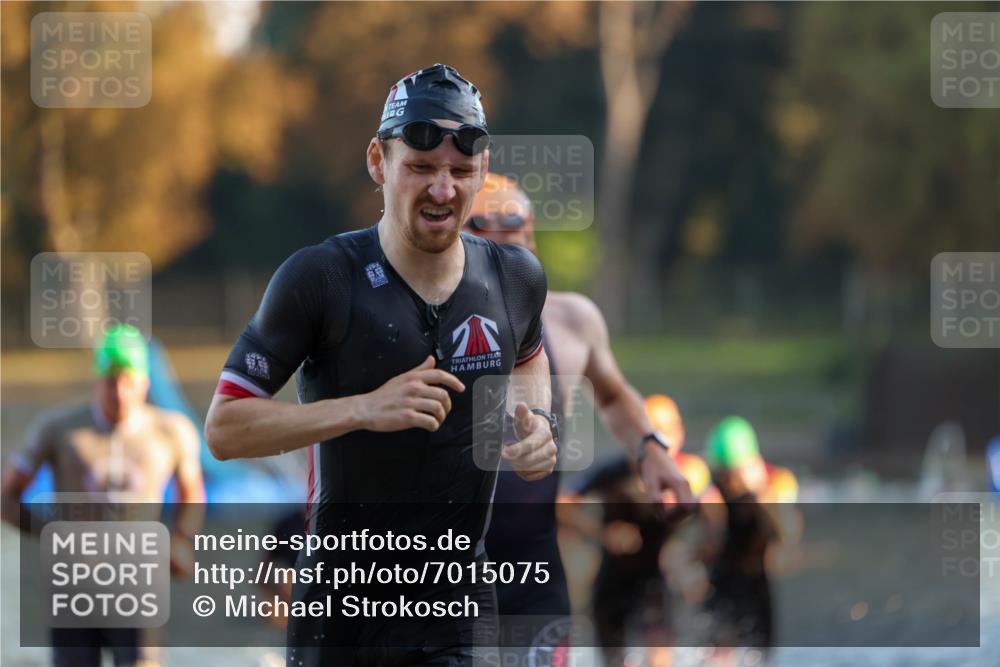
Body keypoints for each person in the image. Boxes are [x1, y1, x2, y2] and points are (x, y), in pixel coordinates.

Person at [204, 64, 559, 667]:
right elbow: (224, 428)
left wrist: (537, 419)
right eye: (420, 168)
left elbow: (529, 356)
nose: (443, 190)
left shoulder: (513, 277)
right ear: (379, 161)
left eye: (460, 171)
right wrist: (364, 409)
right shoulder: (321, 278)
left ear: (482, 168)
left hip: (458, 605)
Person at [464, 175, 694, 664]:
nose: (502, 253)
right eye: (482, 235)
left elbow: (613, 396)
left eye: (514, 234)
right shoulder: (421, 321)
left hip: (533, 571)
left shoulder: (572, 321)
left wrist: (650, 448)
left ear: (533, 242)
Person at [0, 324, 206, 667]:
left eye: (129, 381)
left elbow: (192, 492)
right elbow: (7, 496)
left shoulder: (171, 431)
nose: (120, 393)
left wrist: (182, 538)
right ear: (97, 380)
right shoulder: (60, 427)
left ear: (145, 382)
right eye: (111, 381)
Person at [697, 416, 800, 663]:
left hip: (757, 577)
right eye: (723, 474)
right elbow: (703, 538)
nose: (728, 481)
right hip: (721, 575)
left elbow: (788, 533)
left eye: (730, 474)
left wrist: (760, 493)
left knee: (760, 653)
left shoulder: (776, 481)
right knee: (717, 651)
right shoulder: (710, 484)